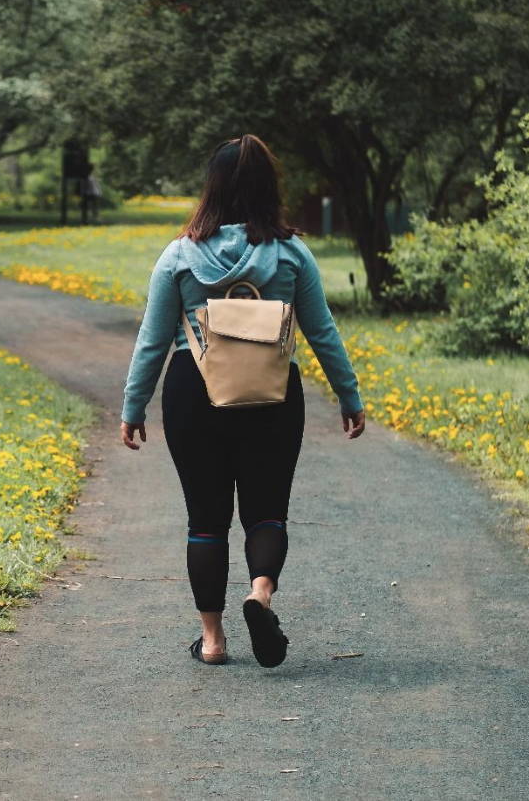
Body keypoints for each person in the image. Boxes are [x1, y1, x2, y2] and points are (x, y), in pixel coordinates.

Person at [119, 134, 365, 668]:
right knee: (266, 512)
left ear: (212, 188)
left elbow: (153, 339)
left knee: (205, 520)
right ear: (267, 188)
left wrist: (133, 407)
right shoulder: (291, 253)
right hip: (272, 394)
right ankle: (259, 596)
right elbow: (322, 332)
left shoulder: (180, 254)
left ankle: (212, 640)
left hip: (193, 391)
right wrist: (349, 396)